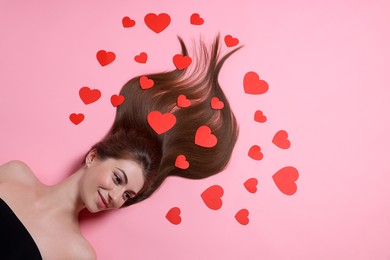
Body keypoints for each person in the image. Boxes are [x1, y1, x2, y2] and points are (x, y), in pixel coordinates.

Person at [0, 35, 240, 259]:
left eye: (127, 195)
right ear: (93, 156)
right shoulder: (15, 174)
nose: (115, 198)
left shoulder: (77, 253)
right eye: (118, 179)